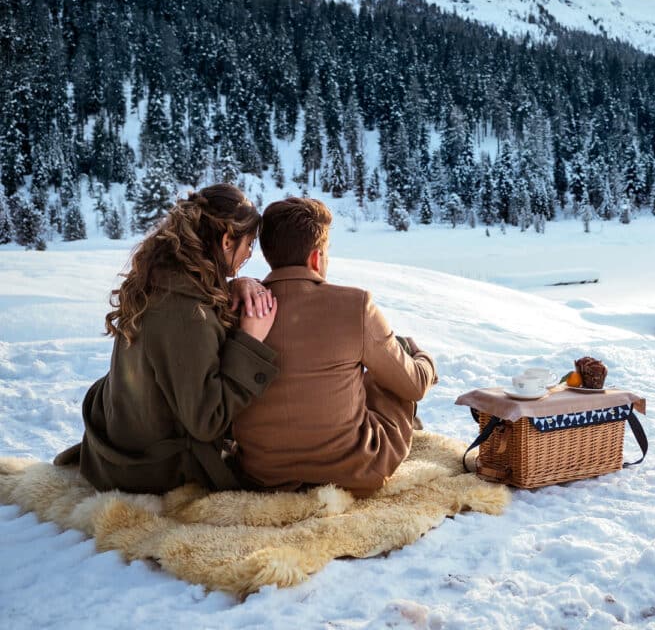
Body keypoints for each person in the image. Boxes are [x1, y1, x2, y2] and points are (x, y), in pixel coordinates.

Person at [54, 183, 279, 494]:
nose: (249, 255)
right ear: (228, 240)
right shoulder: (187, 313)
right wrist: (250, 343)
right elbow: (206, 421)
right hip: (147, 469)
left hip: (119, 438)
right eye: (249, 245)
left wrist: (238, 283)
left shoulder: (164, 277)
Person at [233, 197, 438, 496]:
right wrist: (421, 357)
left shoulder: (237, 306)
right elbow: (414, 386)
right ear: (316, 258)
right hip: (354, 469)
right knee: (392, 365)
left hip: (262, 473)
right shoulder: (355, 304)